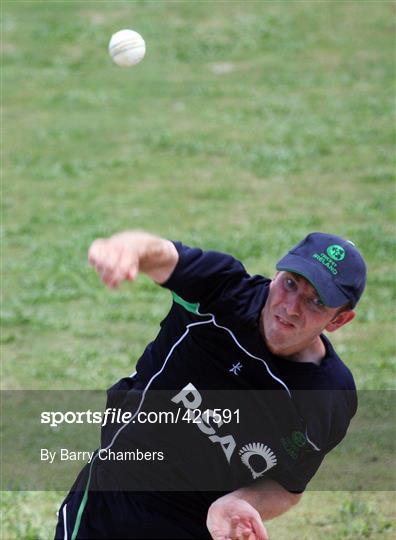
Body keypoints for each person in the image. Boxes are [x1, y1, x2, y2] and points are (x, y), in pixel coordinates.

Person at [55, 230, 366, 540]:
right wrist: (128, 248)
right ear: (276, 275)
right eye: (290, 284)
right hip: (110, 499)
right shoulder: (222, 292)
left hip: (197, 528)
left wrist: (241, 502)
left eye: (315, 302)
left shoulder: (328, 399)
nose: (291, 307)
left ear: (339, 320)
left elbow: (288, 486)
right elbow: (163, 255)